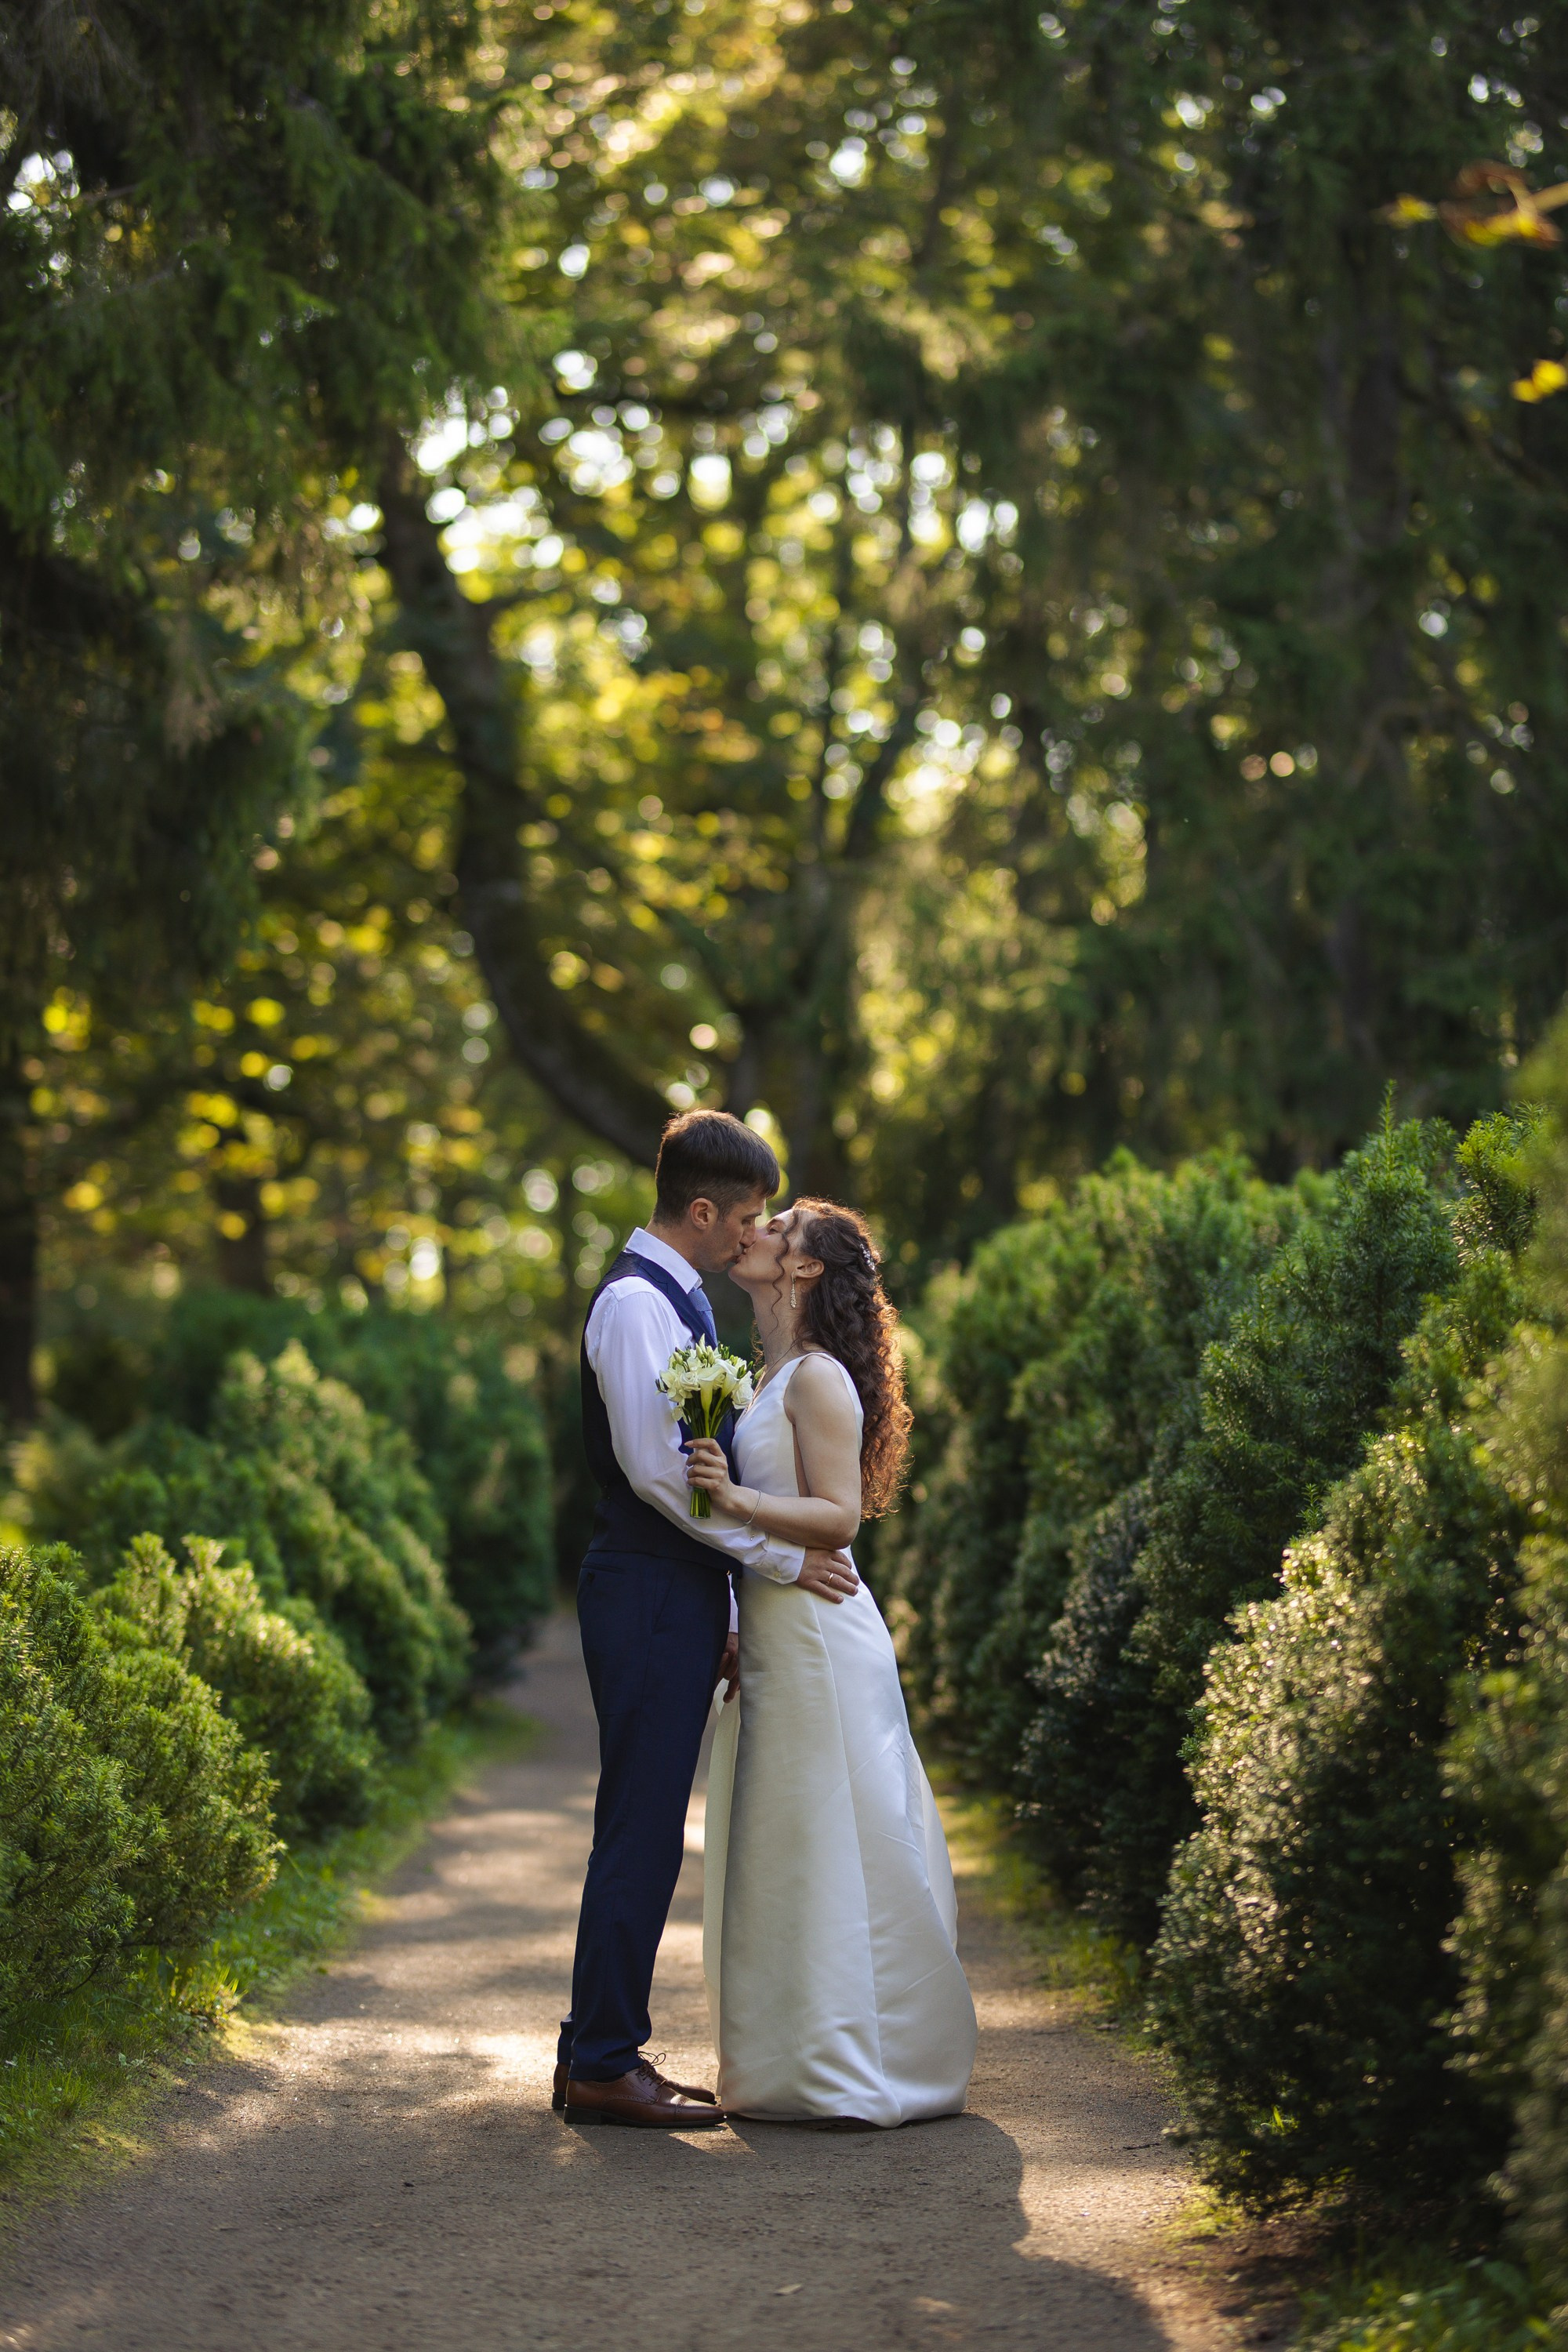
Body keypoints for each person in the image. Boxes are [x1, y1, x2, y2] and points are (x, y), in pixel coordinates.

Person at [557, 1111, 859, 2127]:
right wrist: (777, 1559)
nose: (756, 1233)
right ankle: (601, 2057)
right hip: (643, 1581)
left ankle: (604, 2049)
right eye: (750, 1215)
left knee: (647, 1821)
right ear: (703, 1212)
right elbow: (660, 1476)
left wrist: (729, 1600)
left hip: (675, 1590)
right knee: (640, 1824)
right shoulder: (639, 1307)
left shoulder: (678, 1302)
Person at [686, 1199, 978, 2128]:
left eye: (775, 1229)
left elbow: (839, 1518)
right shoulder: (769, 1376)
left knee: (831, 1834)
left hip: (820, 1632)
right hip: (774, 1631)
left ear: (805, 1269)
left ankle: (860, 2062)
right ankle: (790, 2061)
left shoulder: (817, 1379)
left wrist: (732, 1499)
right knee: (784, 1847)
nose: (754, 1233)